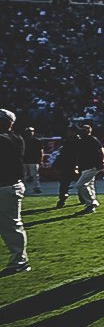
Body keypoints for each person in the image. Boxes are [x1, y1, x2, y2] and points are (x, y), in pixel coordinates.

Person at [0, 110, 30, 275]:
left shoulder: (7, 139)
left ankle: (19, 261)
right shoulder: (14, 138)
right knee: (10, 225)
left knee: (11, 225)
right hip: (9, 185)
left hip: (6, 186)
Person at [75, 124, 104, 214]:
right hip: (86, 166)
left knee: (80, 185)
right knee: (89, 185)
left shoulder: (92, 139)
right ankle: (92, 204)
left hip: (93, 166)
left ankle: (91, 203)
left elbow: (102, 150)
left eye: (84, 130)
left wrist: (103, 162)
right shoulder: (81, 141)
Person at [22, 126, 43, 194]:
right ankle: (23, 188)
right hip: (24, 160)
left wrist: (41, 160)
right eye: (28, 132)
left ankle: (36, 188)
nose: (30, 133)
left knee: (35, 175)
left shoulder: (37, 141)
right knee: (23, 176)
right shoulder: (22, 140)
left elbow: (41, 151)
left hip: (33, 160)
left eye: (31, 131)